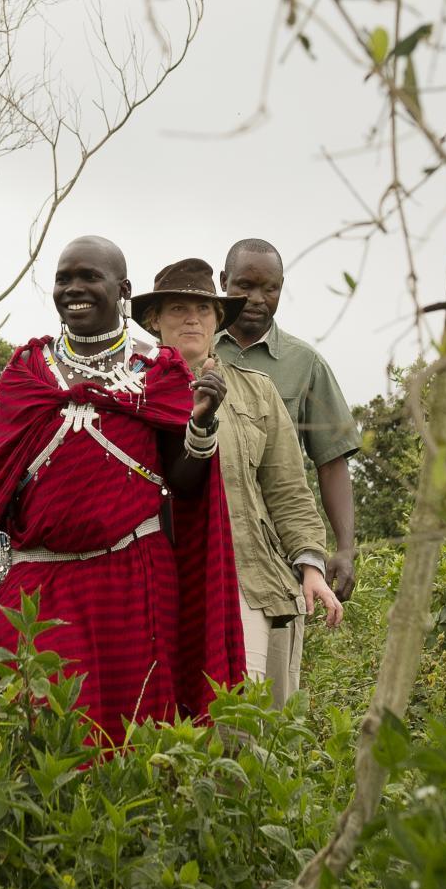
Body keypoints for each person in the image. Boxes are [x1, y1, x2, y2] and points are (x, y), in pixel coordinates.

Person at [0, 236, 246, 742]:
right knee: (32, 739)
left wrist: (199, 424)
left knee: (132, 744)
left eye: (90, 278)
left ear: (123, 290)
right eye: (65, 279)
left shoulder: (158, 373)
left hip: (133, 580)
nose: (74, 289)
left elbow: (185, 485)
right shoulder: (26, 373)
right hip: (37, 585)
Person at [132, 258, 343, 704]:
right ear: (154, 321)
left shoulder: (257, 390)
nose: (192, 319)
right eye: (177, 309)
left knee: (248, 729)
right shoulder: (128, 392)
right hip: (157, 582)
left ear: (218, 320)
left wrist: (311, 566)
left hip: (249, 579)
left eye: (204, 310)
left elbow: (288, 489)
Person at [217, 239, 364, 600]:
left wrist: (344, 549)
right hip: (207, 539)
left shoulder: (306, 364)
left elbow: (331, 462)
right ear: (223, 282)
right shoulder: (191, 351)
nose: (257, 298)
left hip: (279, 549)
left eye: (271, 288)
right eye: (245, 286)